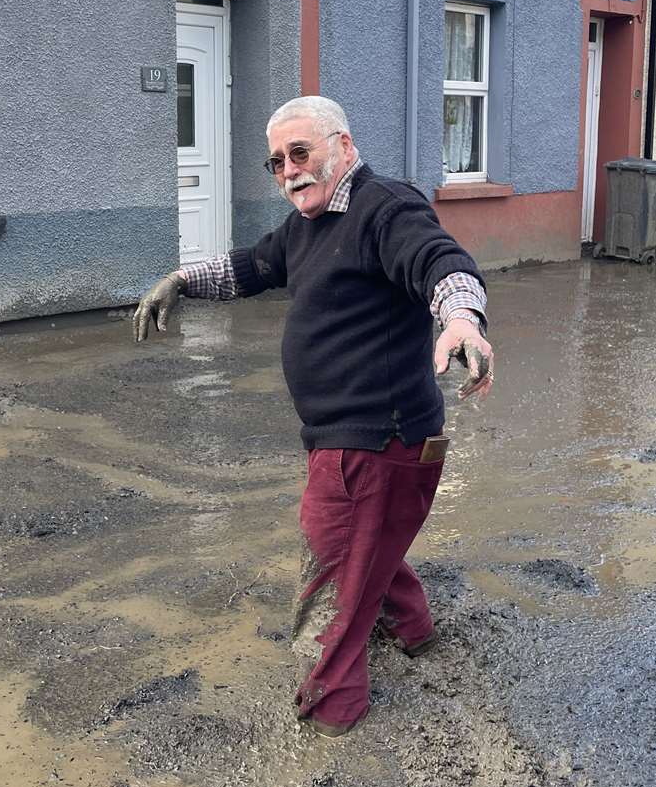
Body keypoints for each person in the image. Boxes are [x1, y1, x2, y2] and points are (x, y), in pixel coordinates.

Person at [133, 95, 493, 738]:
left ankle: (331, 710)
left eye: (301, 152)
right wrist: (182, 280)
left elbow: (441, 262)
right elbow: (252, 267)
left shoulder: (386, 207)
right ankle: (414, 633)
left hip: (377, 441)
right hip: (359, 441)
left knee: (331, 571)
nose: (290, 170)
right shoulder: (306, 227)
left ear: (343, 147)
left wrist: (463, 321)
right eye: (276, 162)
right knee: (369, 542)